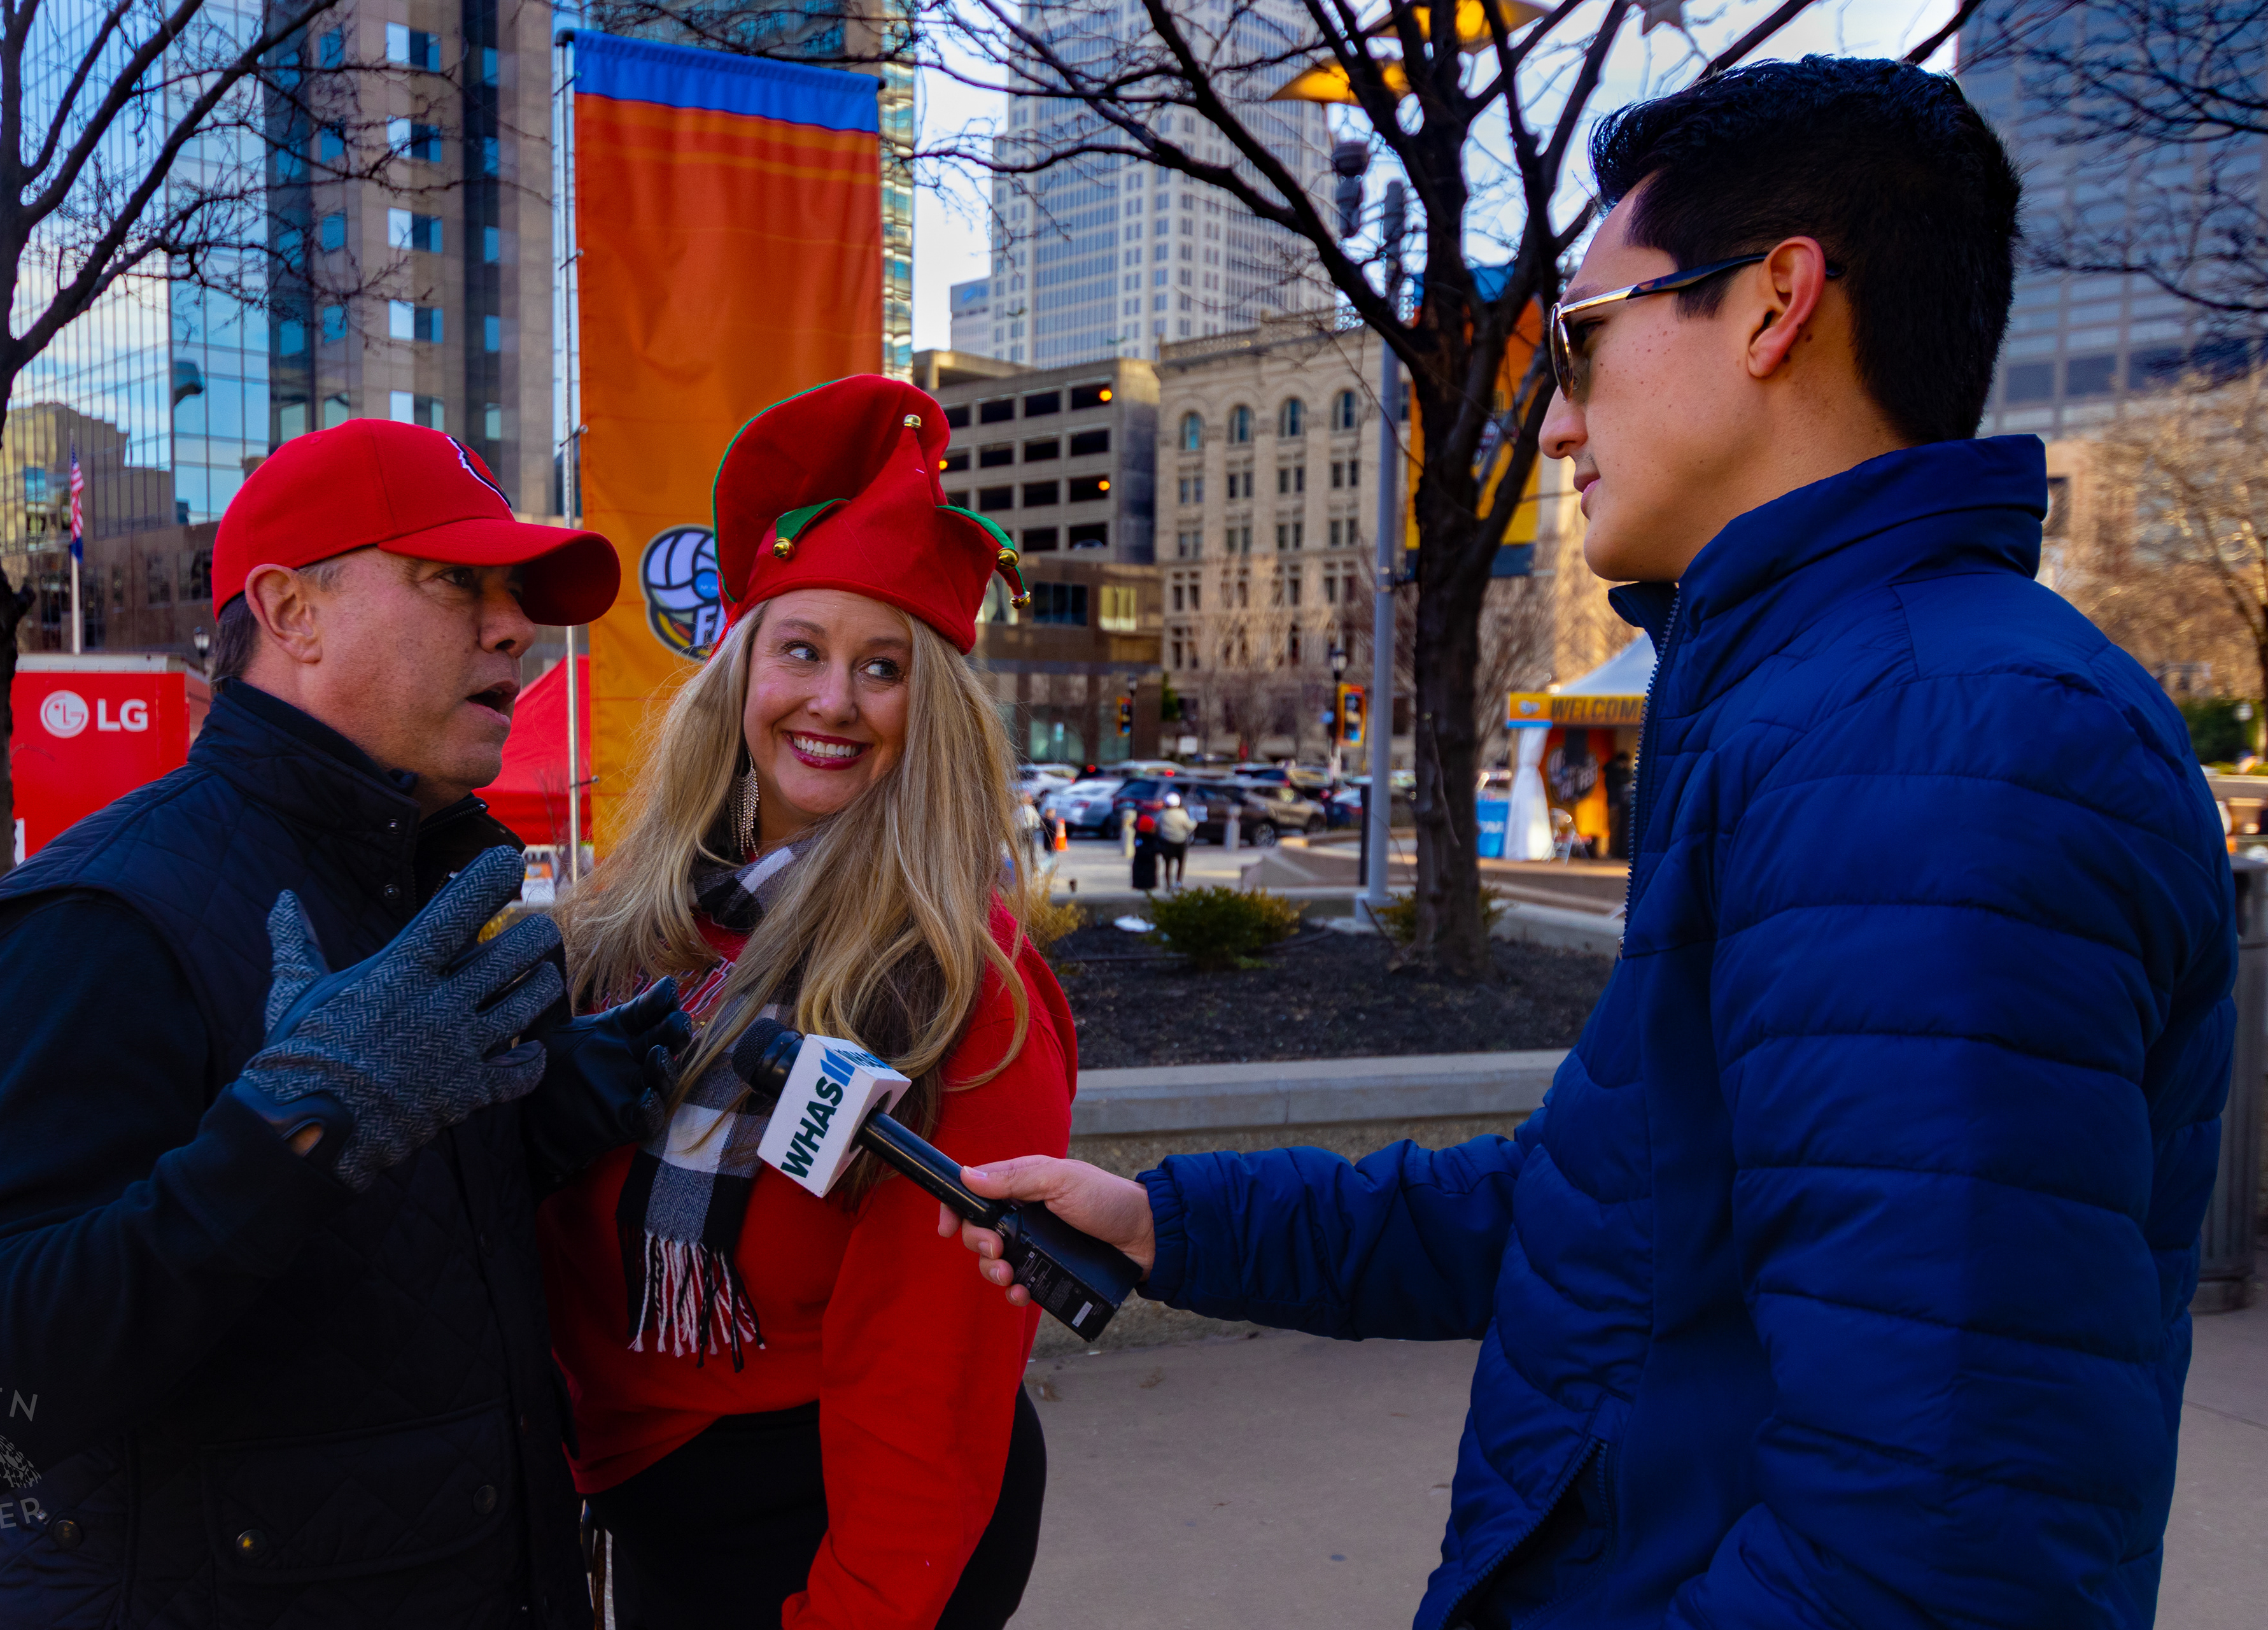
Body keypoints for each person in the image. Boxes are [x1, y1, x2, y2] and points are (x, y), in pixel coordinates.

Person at [945, 58, 2234, 1630]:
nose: (1553, 421)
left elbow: (1933, 1548)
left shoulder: (1931, 746)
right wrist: (1167, 1220)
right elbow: (1597, 1210)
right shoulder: (1837, 705)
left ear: (1773, 304)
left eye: (1580, 341)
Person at [0, 420, 692, 1630]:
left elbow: (358, 1277)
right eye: (456, 581)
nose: (516, 626)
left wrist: (538, 1129)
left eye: (516, 591)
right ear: (291, 612)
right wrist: (290, 1130)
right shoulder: (101, 916)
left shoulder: (414, 876)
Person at [537, 375, 1078, 1630]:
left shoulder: (958, 985)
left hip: (833, 1530)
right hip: (652, 1494)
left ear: (926, 713)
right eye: (802, 650)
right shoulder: (634, 926)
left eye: (881, 667)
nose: (834, 699)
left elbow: (932, 1382)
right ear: (739, 673)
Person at [1153, 792, 1196, 887]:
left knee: (1168, 864)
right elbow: (1189, 826)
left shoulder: (1163, 814)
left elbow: (1156, 825)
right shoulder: (1182, 814)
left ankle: (1168, 884)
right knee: (1180, 863)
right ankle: (1178, 882)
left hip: (1167, 842)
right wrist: (1195, 822)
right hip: (1180, 842)